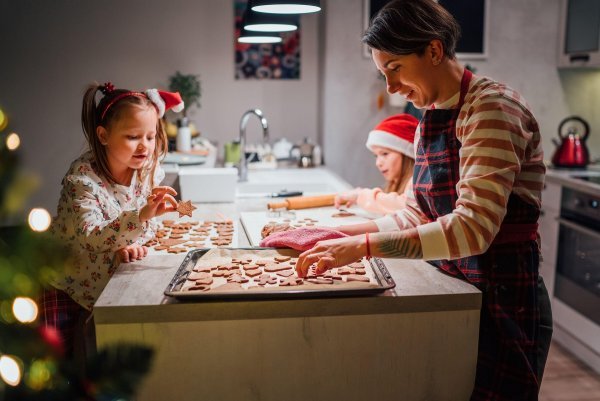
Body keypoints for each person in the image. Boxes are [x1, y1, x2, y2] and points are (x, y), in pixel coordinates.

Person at [295, 1, 552, 399]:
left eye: (394, 68)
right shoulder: (431, 116)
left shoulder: (490, 108)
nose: (391, 87)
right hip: (456, 285)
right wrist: (332, 233)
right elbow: (416, 214)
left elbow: (473, 230)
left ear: (433, 51)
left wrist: (360, 247)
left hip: (505, 298)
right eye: (384, 74)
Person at [42, 82, 184, 360]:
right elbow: (93, 236)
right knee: (57, 366)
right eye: (133, 137)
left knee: (100, 354)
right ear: (104, 135)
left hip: (106, 280)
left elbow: (146, 227)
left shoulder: (146, 170)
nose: (145, 146)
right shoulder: (81, 182)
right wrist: (140, 217)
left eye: (151, 136)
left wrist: (131, 244)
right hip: (66, 282)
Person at [334, 113, 418, 214]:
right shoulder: (395, 185)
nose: (378, 163)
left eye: (385, 154)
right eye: (376, 155)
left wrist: (360, 195)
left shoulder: (418, 184)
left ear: (408, 155)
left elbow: (407, 207)